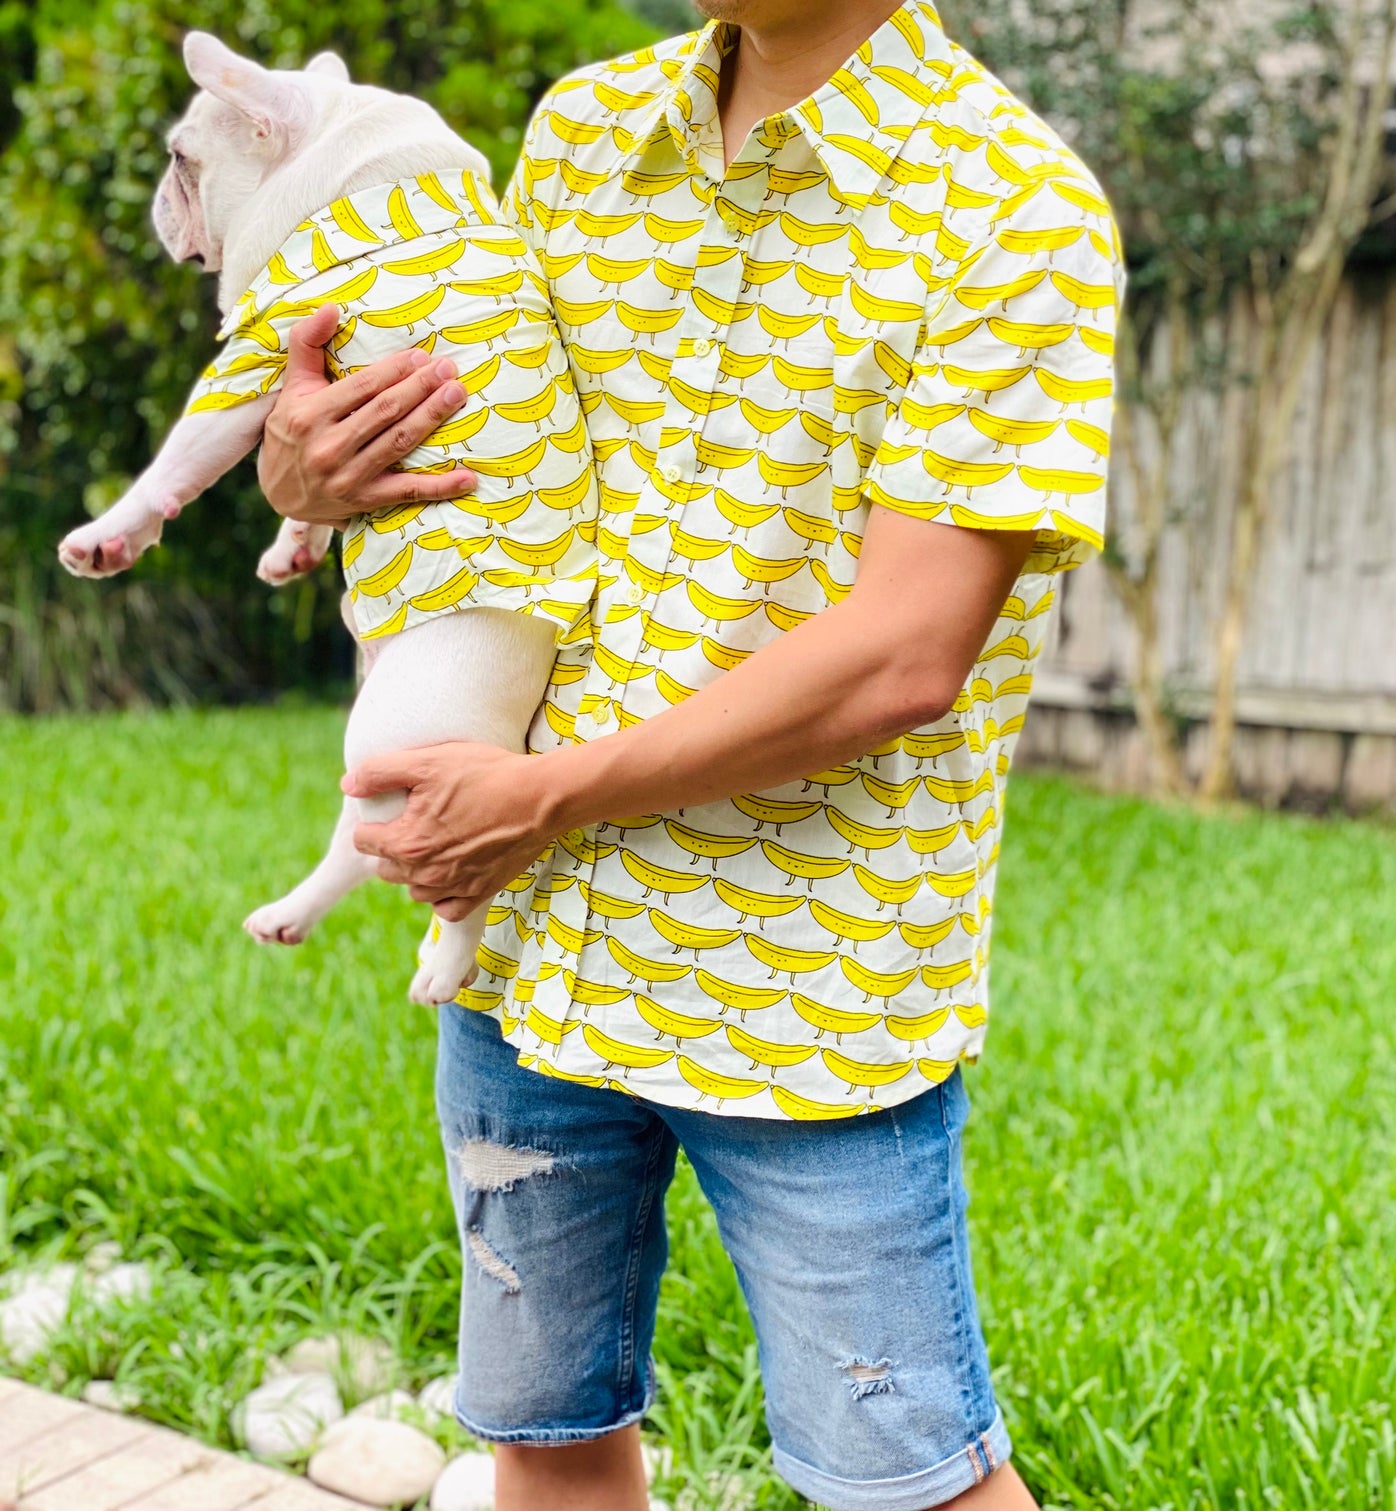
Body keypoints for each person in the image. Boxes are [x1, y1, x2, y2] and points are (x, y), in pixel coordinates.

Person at [258, 1, 1126, 1506]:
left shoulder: (1010, 205)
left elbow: (907, 652)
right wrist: (301, 465)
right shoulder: (583, 134)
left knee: (908, 1482)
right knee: (544, 1439)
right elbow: (486, 460)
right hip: (537, 957)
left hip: (804, 982)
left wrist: (546, 794)